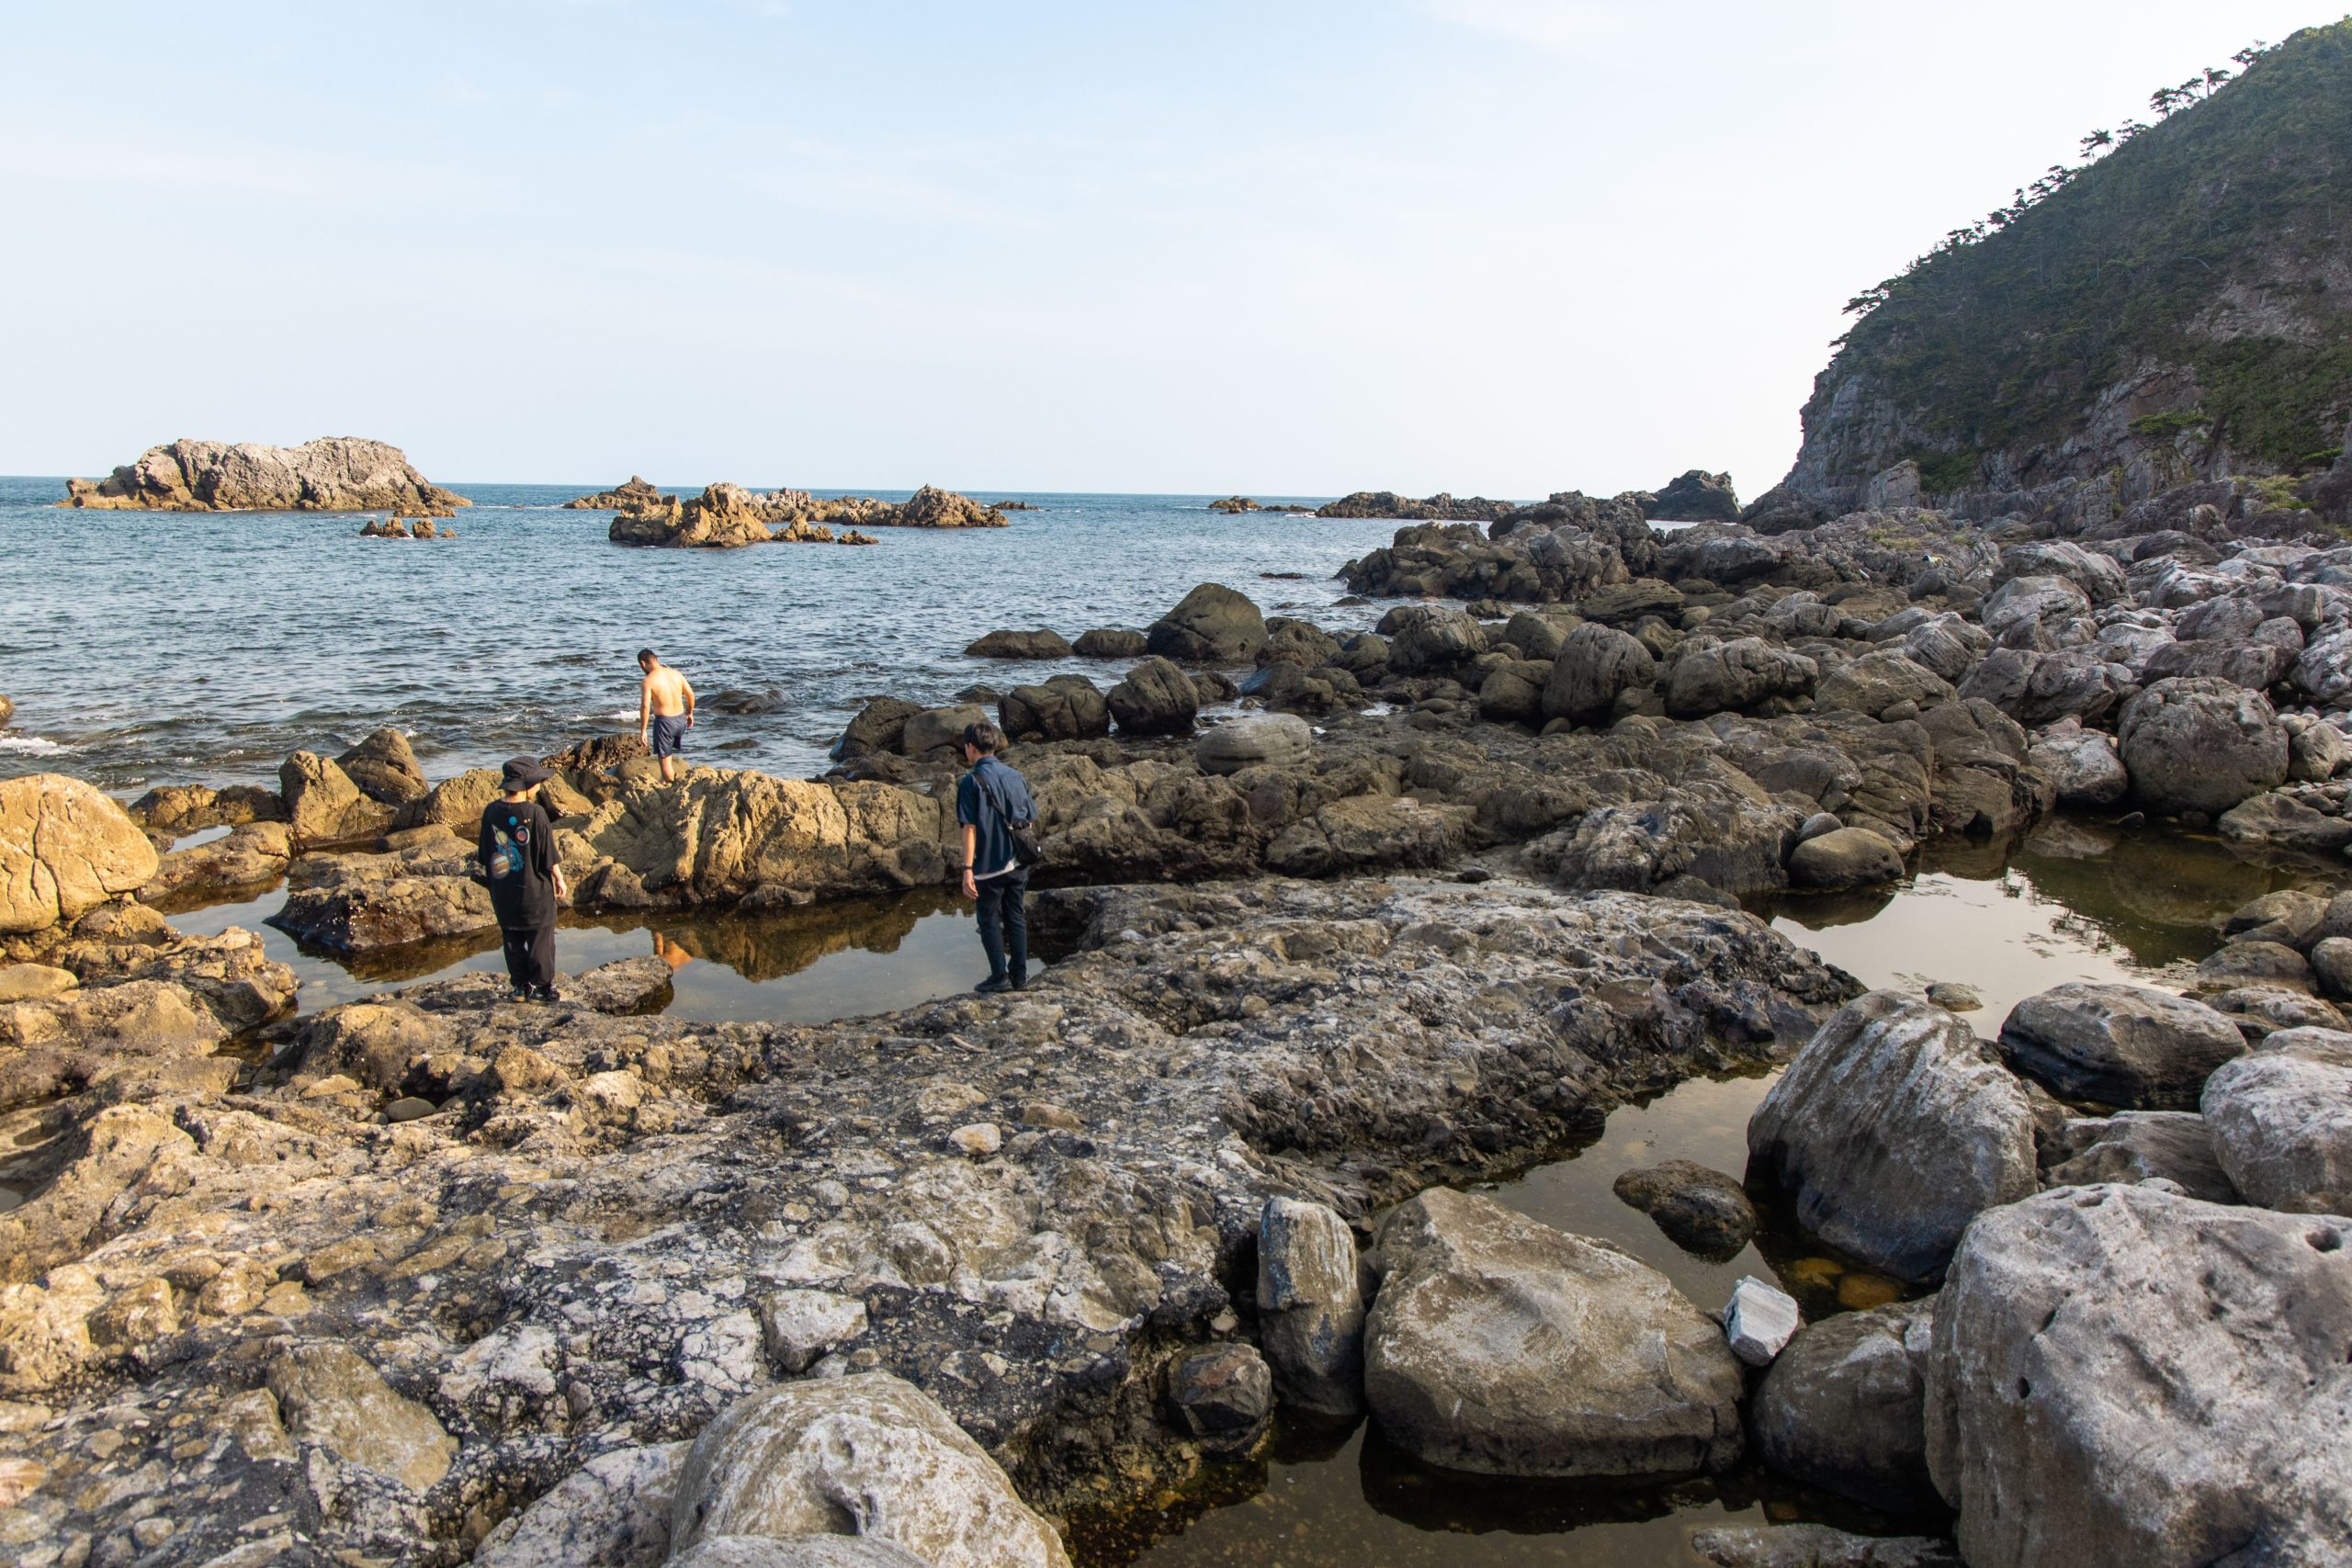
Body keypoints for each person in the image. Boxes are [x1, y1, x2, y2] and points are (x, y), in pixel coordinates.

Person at [478, 756, 567, 1003]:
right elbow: (548, 855)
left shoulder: (491, 812)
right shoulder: (535, 813)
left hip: (503, 891)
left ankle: (519, 987)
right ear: (526, 786)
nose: (539, 786)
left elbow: (485, 854)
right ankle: (541, 989)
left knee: (512, 939)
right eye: (537, 782)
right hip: (534, 892)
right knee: (540, 939)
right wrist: (559, 879)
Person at [956, 720, 1036, 994]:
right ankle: (1020, 976)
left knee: (988, 919)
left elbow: (970, 828)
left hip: (990, 865)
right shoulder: (1015, 775)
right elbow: (1029, 821)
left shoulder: (970, 782)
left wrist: (967, 869)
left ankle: (999, 976)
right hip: (1019, 860)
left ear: (971, 748)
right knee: (1016, 915)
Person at [638, 649, 696, 783]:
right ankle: (663, 781)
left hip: (665, 722)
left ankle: (671, 788)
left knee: (664, 762)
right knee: (668, 754)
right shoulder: (676, 674)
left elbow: (646, 707)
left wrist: (643, 731)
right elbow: (691, 694)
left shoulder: (648, 680)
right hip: (680, 720)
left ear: (642, 663)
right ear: (656, 660)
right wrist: (690, 713)